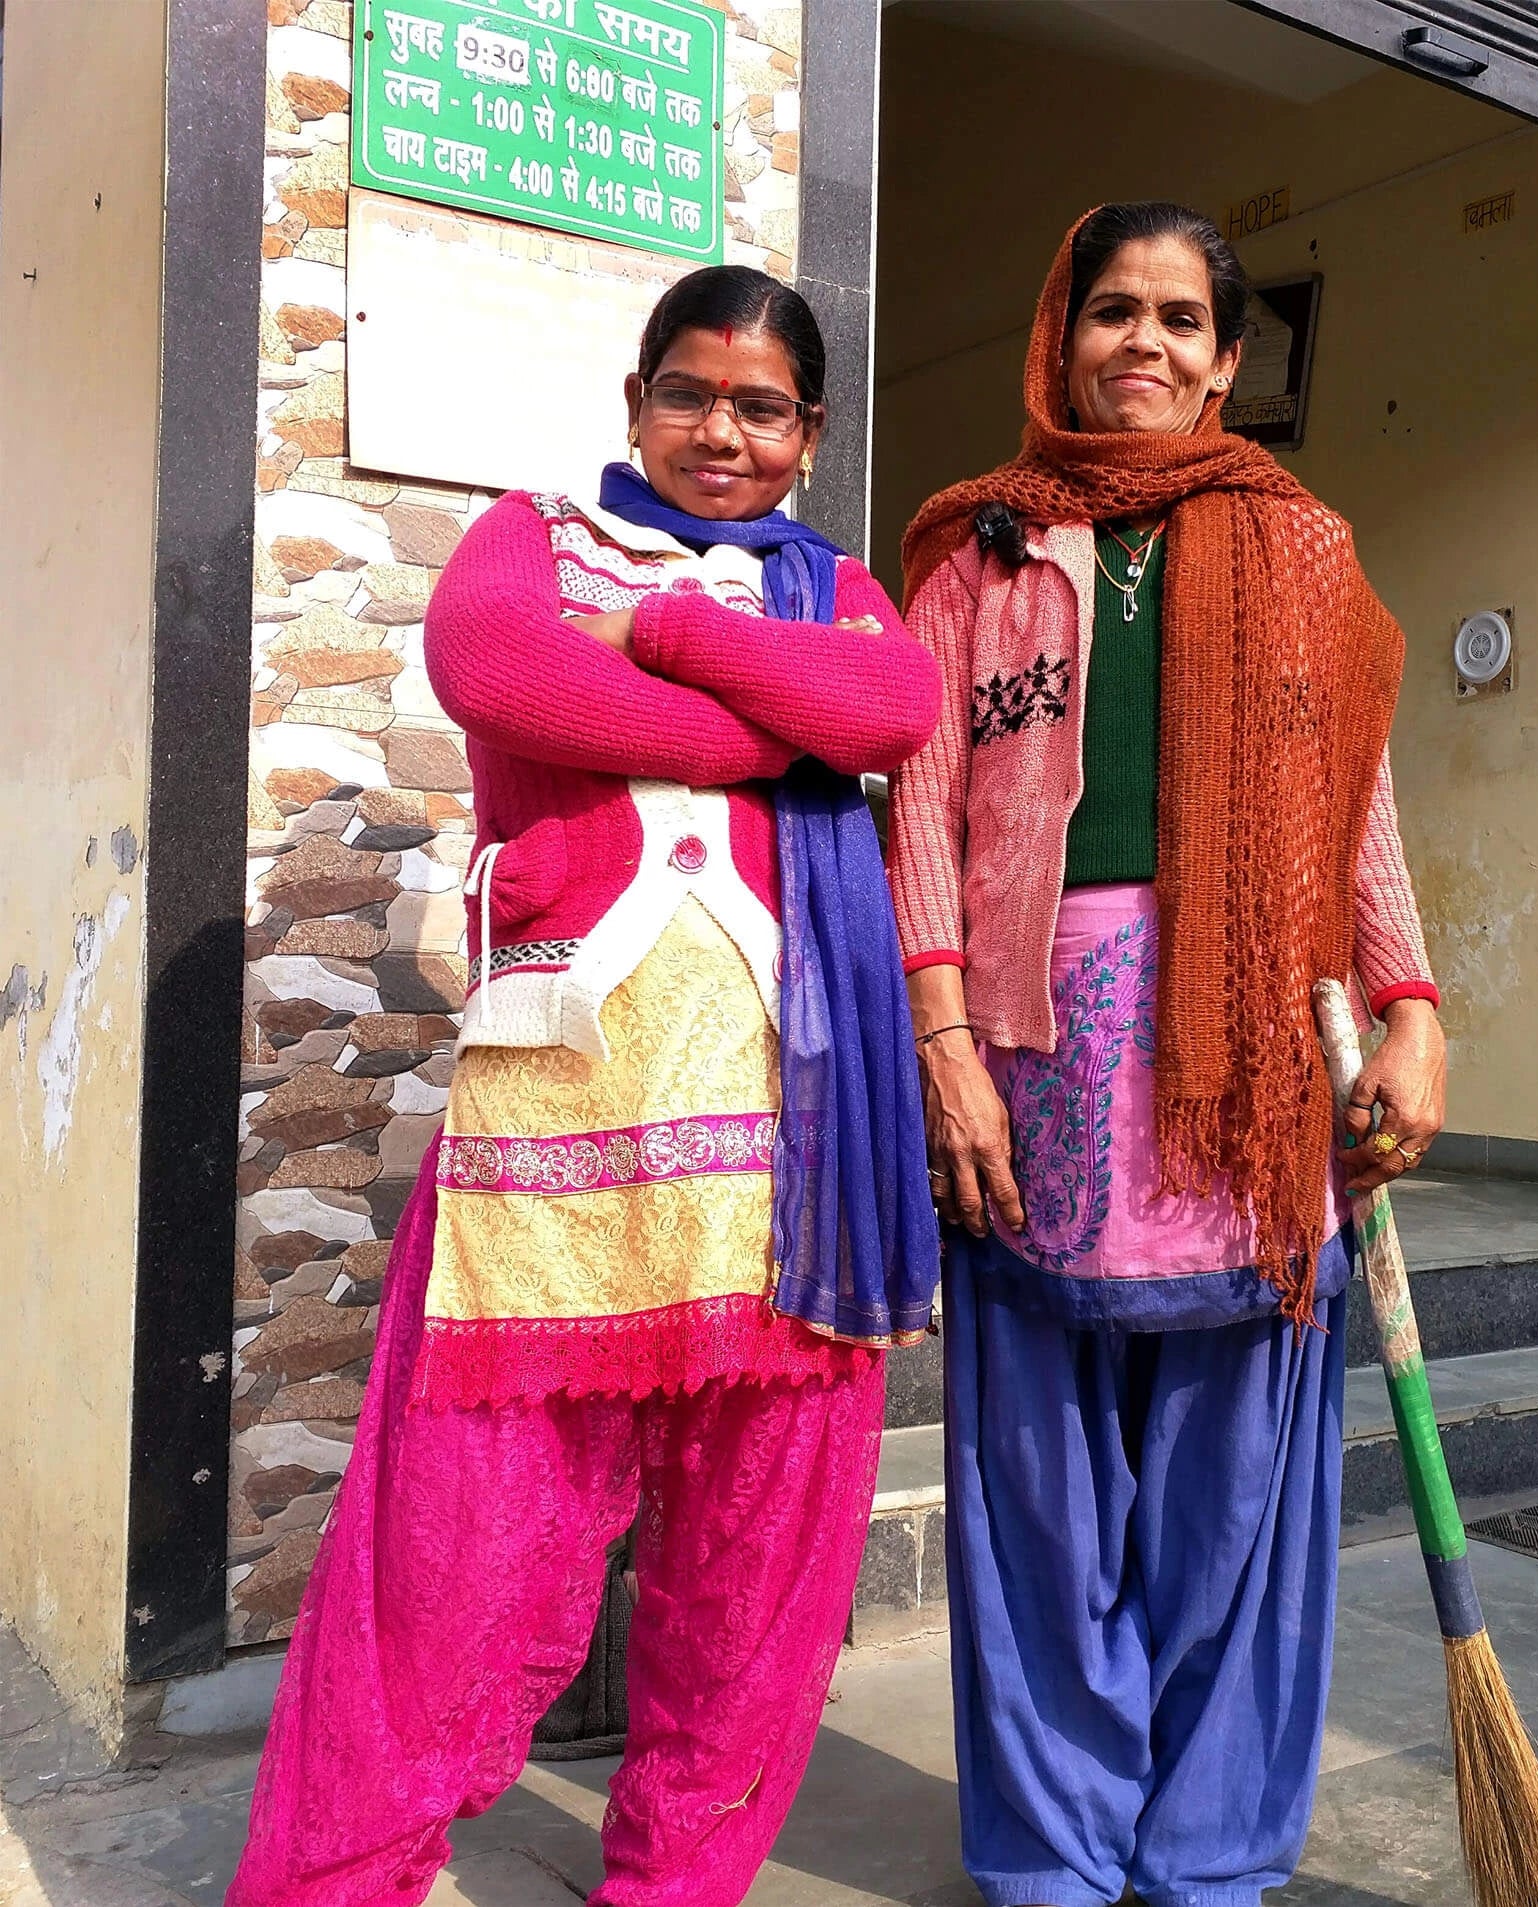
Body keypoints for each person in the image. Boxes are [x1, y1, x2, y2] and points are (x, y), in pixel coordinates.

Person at [228, 266, 943, 1907]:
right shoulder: (530, 546)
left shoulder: (836, 589)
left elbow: (894, 710)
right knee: (451, 1557)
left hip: (793, 1160)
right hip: (564, 1131)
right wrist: (787, 724)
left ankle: (679, 1883)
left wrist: (687, 636)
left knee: (753, 1578)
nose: (720, 430)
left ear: (809, 435)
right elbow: (509, 678)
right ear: (636, 404)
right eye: (690, 392)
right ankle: (339, 1880)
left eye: (760, 406)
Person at [889, 203, 1448, 1907]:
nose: (1146, 342)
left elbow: (1356, 810)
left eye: (1183, 317)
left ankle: (1205, 1857)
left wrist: (1412, 1011)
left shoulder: (1304, 552)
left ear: (1226, 353)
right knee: (1042, 1510)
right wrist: (942, 1043)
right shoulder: (979, 556)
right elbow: (920, 809)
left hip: (1255, 1080)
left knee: (1228, 1507)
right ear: (1062, 334)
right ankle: (1057, 1854)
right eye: (1114, 309)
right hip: (1032, 1060)